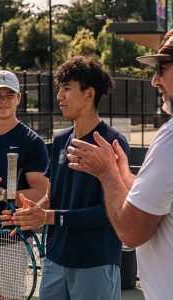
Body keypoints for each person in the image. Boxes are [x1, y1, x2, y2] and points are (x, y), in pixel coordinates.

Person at [0, 55, 130, 300]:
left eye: (67, 89)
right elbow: (53, 194)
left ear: (89, 93)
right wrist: (31, 214)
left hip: (96, 262)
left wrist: (49, 217)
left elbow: (112, 212)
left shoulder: (112, 142)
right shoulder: (60, 140)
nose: (59, 96)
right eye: (60, 89)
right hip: (55, 260)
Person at [66, 30, 173, 300]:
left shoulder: (170, 141)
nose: (154, 80)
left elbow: (131, 230)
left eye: (162, 68)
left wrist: (107, 172)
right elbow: (155, 203)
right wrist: (123, 173)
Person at [0, 70, 49, 299]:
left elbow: (40, 193)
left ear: (18, 98)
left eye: (9, 94)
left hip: (12, 241)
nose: (3, 100)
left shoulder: (32, 142)